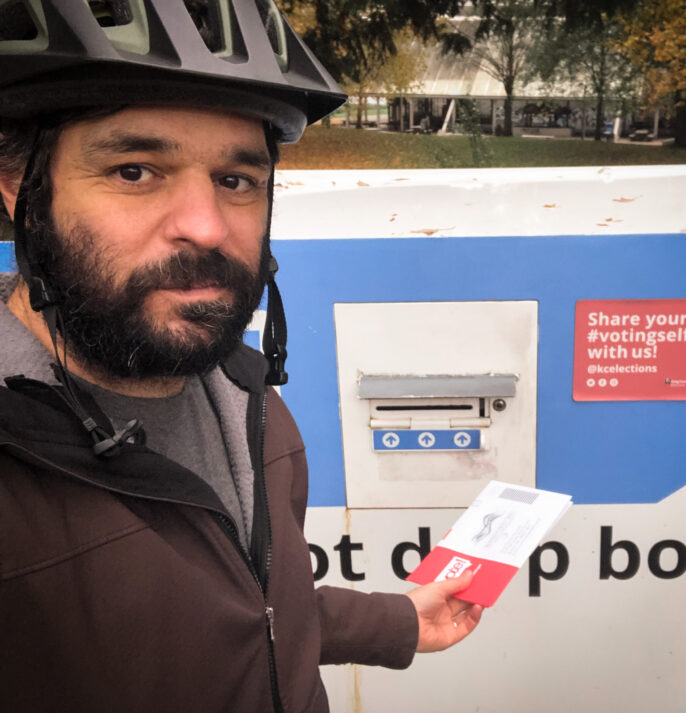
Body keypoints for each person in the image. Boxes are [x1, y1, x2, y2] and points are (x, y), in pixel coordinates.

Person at [0, 2, 482, 711]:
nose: (205, 226)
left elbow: (252, 607)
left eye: (235, 180)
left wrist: (396, 621)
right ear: (20, 189)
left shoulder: (252, 402)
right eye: (135, 170)